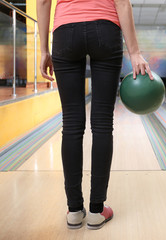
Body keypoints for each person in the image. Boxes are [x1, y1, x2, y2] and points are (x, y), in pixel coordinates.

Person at [36, 0, 153, 230]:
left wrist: (43, 50)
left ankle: (74, 210)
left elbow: (42, 1)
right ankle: (97, 210)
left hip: (65, 31)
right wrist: (135, 52)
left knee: (70, 122)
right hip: (105, 29)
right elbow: (122, 3)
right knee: (101, 123)